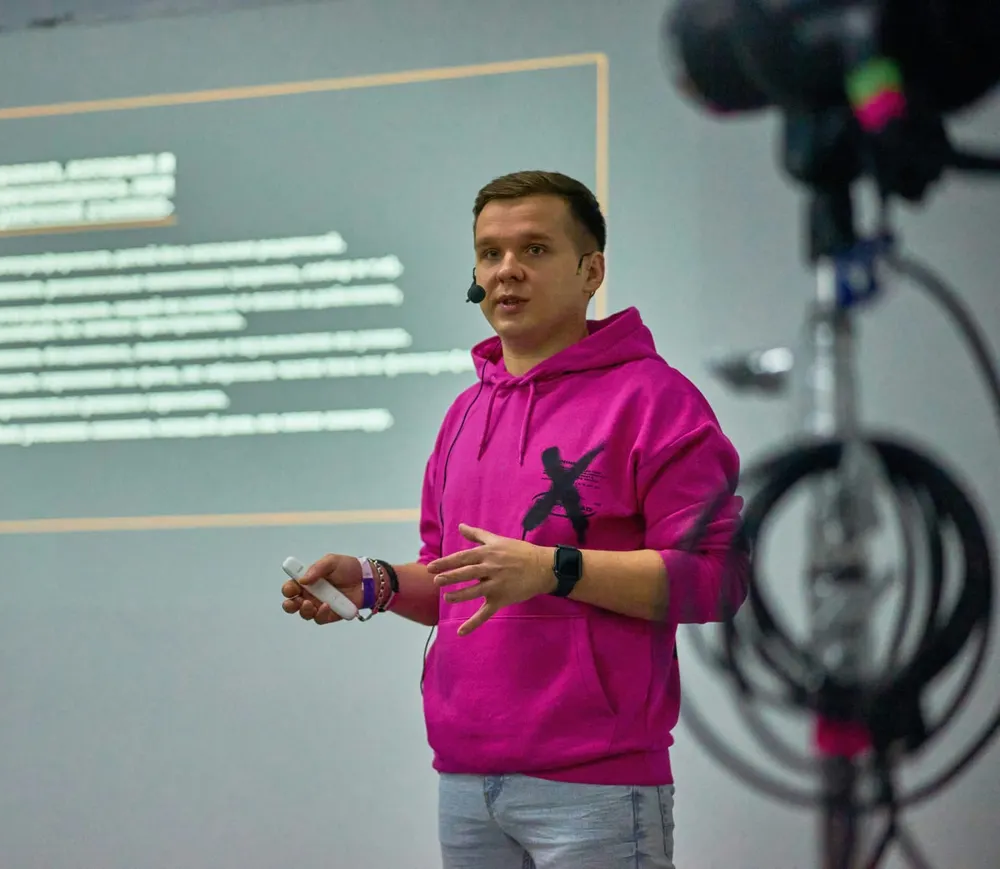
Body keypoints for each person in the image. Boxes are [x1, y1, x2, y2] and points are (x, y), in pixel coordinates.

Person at [280, 170, 747, 869]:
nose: (507, 272)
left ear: (592, 270)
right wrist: (373, 583)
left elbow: (718, 577)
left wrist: (557, 569)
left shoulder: (655, 401)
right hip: (466, 781)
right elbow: (456, 582)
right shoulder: (463, 415)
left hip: (597, 786)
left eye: (534, 250)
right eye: (490, 253)